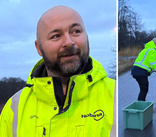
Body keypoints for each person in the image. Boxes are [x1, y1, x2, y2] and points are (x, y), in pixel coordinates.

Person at [0, 6, 115, 137]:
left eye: (76, 31)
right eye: (56, 36)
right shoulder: (14, 108)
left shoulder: (114, 95)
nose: (69, 42)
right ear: (39, 48)